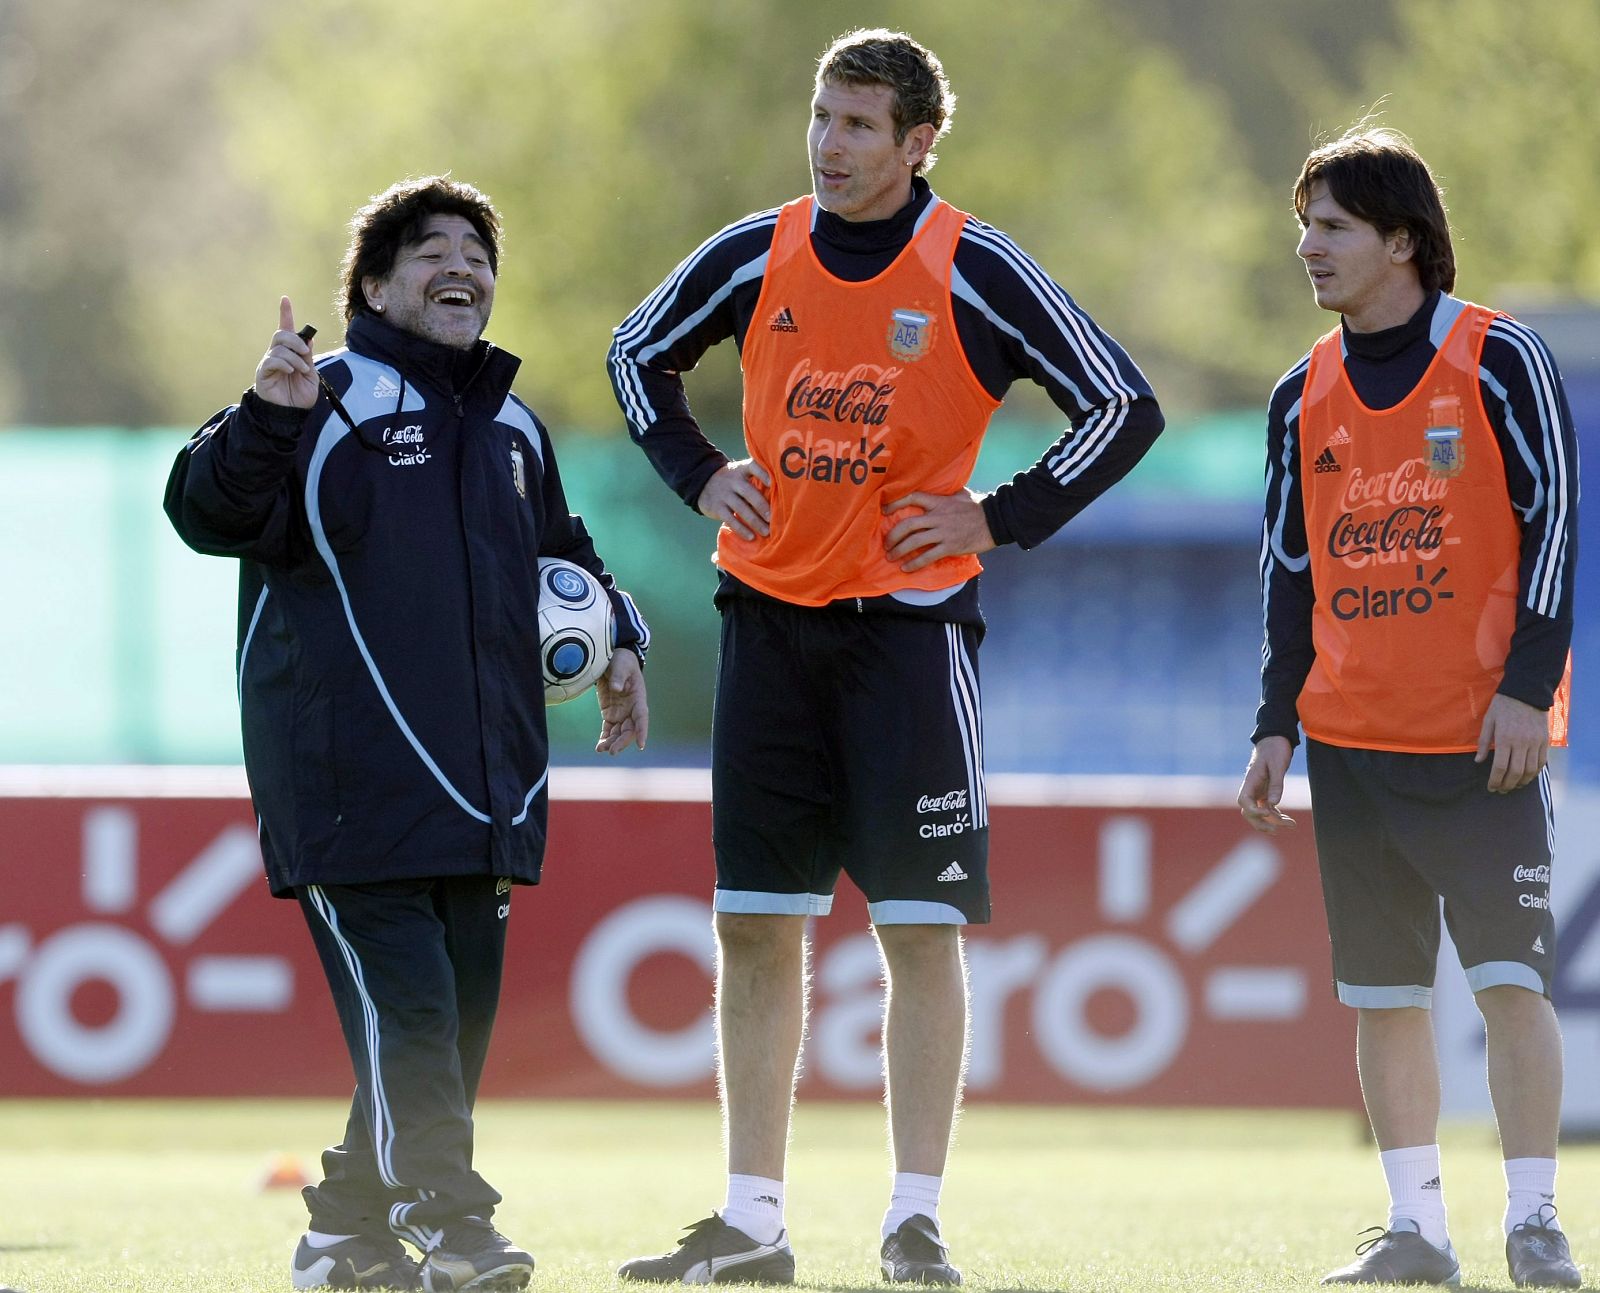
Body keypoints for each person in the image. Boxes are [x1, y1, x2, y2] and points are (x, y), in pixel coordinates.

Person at [609, 28, 1163, 1287]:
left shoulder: (973, 267)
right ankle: (752, 1223)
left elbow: (1123, 406)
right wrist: (700, 476)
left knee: (917, 932)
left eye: (859, 127)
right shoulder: (757, 250)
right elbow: (635, 356)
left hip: (909, 644)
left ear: (917, 144)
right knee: (754, 929)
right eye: (821, 118)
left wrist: (997, 515)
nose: (830, 145)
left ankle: (914, 1219)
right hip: (766, 631)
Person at [165, 176, 651, 1293]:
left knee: (445, 1035)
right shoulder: (318, 395)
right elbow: (206, 511)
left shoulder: (515, 424)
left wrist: (622, 635)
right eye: (429, 249)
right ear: (375, 285)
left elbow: (565, 554)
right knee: (418, 1017)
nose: (460, 265)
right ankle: (456, 1226)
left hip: (489, 788)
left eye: (477, 250)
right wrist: (262, 417)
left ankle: (343, 1232)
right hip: (347, 780)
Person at [1238, 126, 1581, 1289]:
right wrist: (1273, 723)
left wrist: (1525, 693)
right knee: (1384, 996)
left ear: (1400, 241)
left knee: (1508, 985)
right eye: (1305, 225)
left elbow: (1554, 531)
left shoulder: (1497, 357)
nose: (1307, 247)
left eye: (1330, 227)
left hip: (1485, 742)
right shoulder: (1301, 391)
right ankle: (1414, 1229)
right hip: (1349, 744)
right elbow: (1288, 568)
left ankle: (1534, 1220)